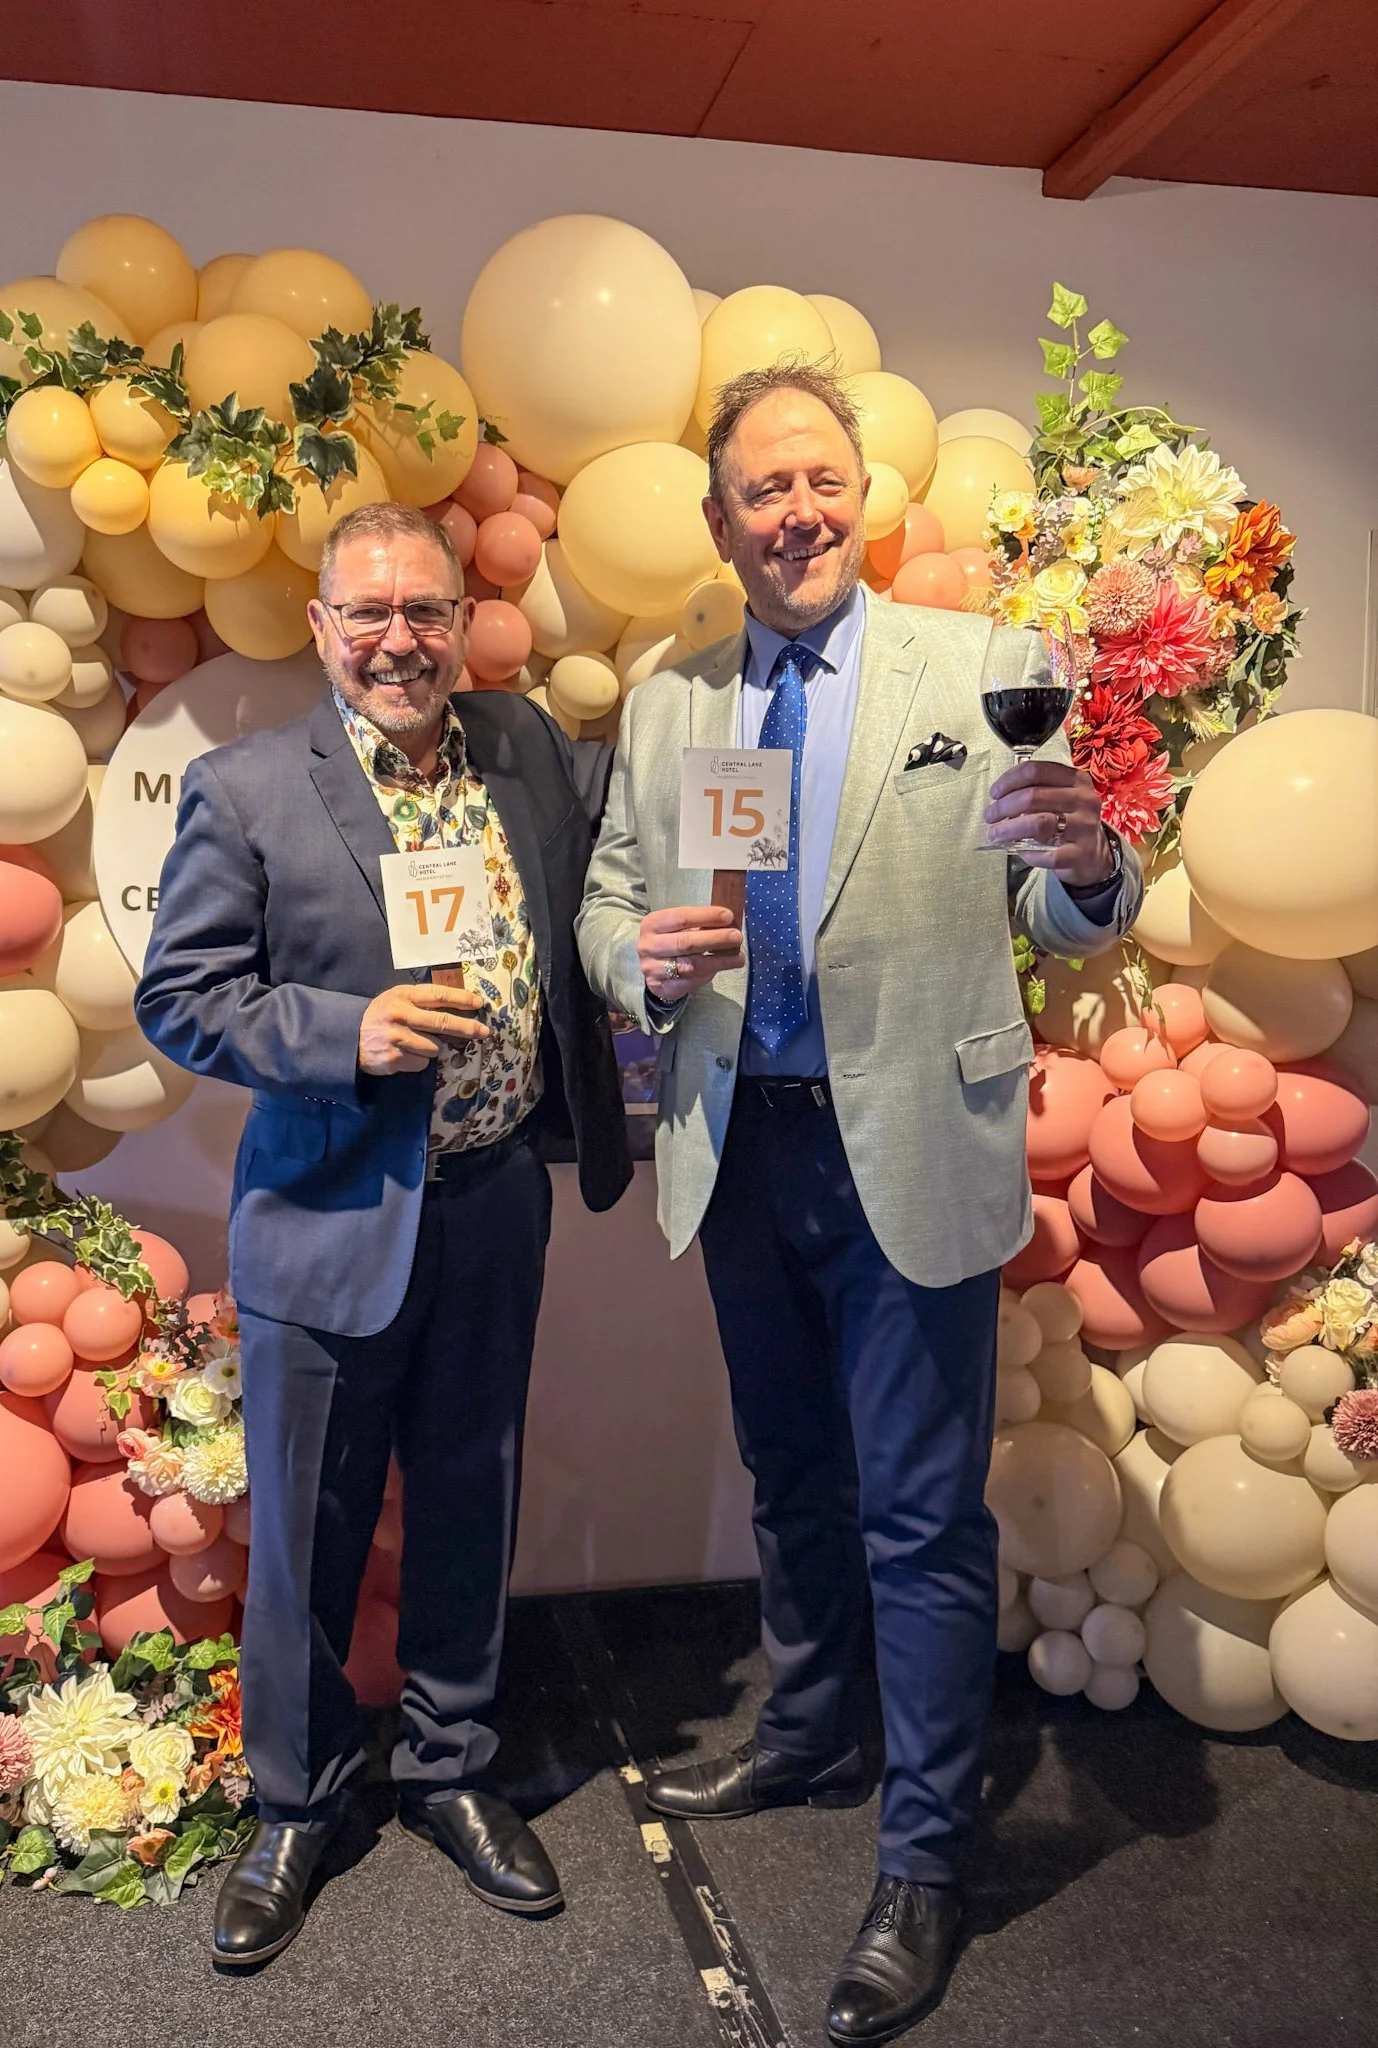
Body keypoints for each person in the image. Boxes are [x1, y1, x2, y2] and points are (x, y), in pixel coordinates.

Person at [577, 364, 1142, 2045]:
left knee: (917, 1516)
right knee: (790, 1473)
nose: (798, 512)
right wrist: (632, 956)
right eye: (764, 489)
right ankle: (815, 1724)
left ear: (864, 496)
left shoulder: (979, 667)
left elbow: (1057, 906)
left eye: (820, 479)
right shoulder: (673, 701)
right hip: (737, 1143)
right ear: (720, 522)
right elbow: (609, 897)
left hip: (911, 1141)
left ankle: (924, 1858)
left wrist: (1090, 865)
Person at [137, 500, 630, 1967]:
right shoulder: (245, 790)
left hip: (493, 1201)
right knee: (309, 1529)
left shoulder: (522, 745)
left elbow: (632, 847)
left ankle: (451, 1767)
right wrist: (342, 1032)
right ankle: (296, 1804)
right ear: (321, 628)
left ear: (459, 623)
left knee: (472, 1495)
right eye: (370, 613)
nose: (399, 640)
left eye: (424, 610)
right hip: (328, 1214)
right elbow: (182, 995)